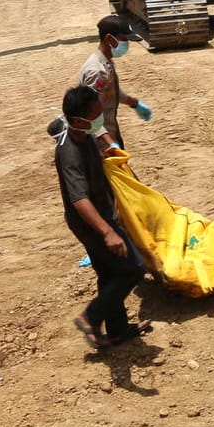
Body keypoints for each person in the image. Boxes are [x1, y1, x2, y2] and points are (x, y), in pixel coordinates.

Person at [52, 84, 150, 350]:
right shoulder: (69, 151)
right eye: (95, 116)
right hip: (92, 224)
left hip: (102, 215)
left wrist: (108, 150)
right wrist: (107, 232)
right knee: (134, 268)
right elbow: (79, 199)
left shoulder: (83, 134)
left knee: (109, 273)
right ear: (78, 119)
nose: (98, 120)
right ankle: (90, 316)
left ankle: (116, 330)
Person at [77, 14, 154, 151]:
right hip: (99, 142)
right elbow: (90, 115)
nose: (127, 44)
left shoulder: (105, 62)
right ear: (109, 39)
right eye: (124, 40)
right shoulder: (97, 72)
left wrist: (134, 103)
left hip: (109, 132)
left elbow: (110, 91)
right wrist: (110, 143)